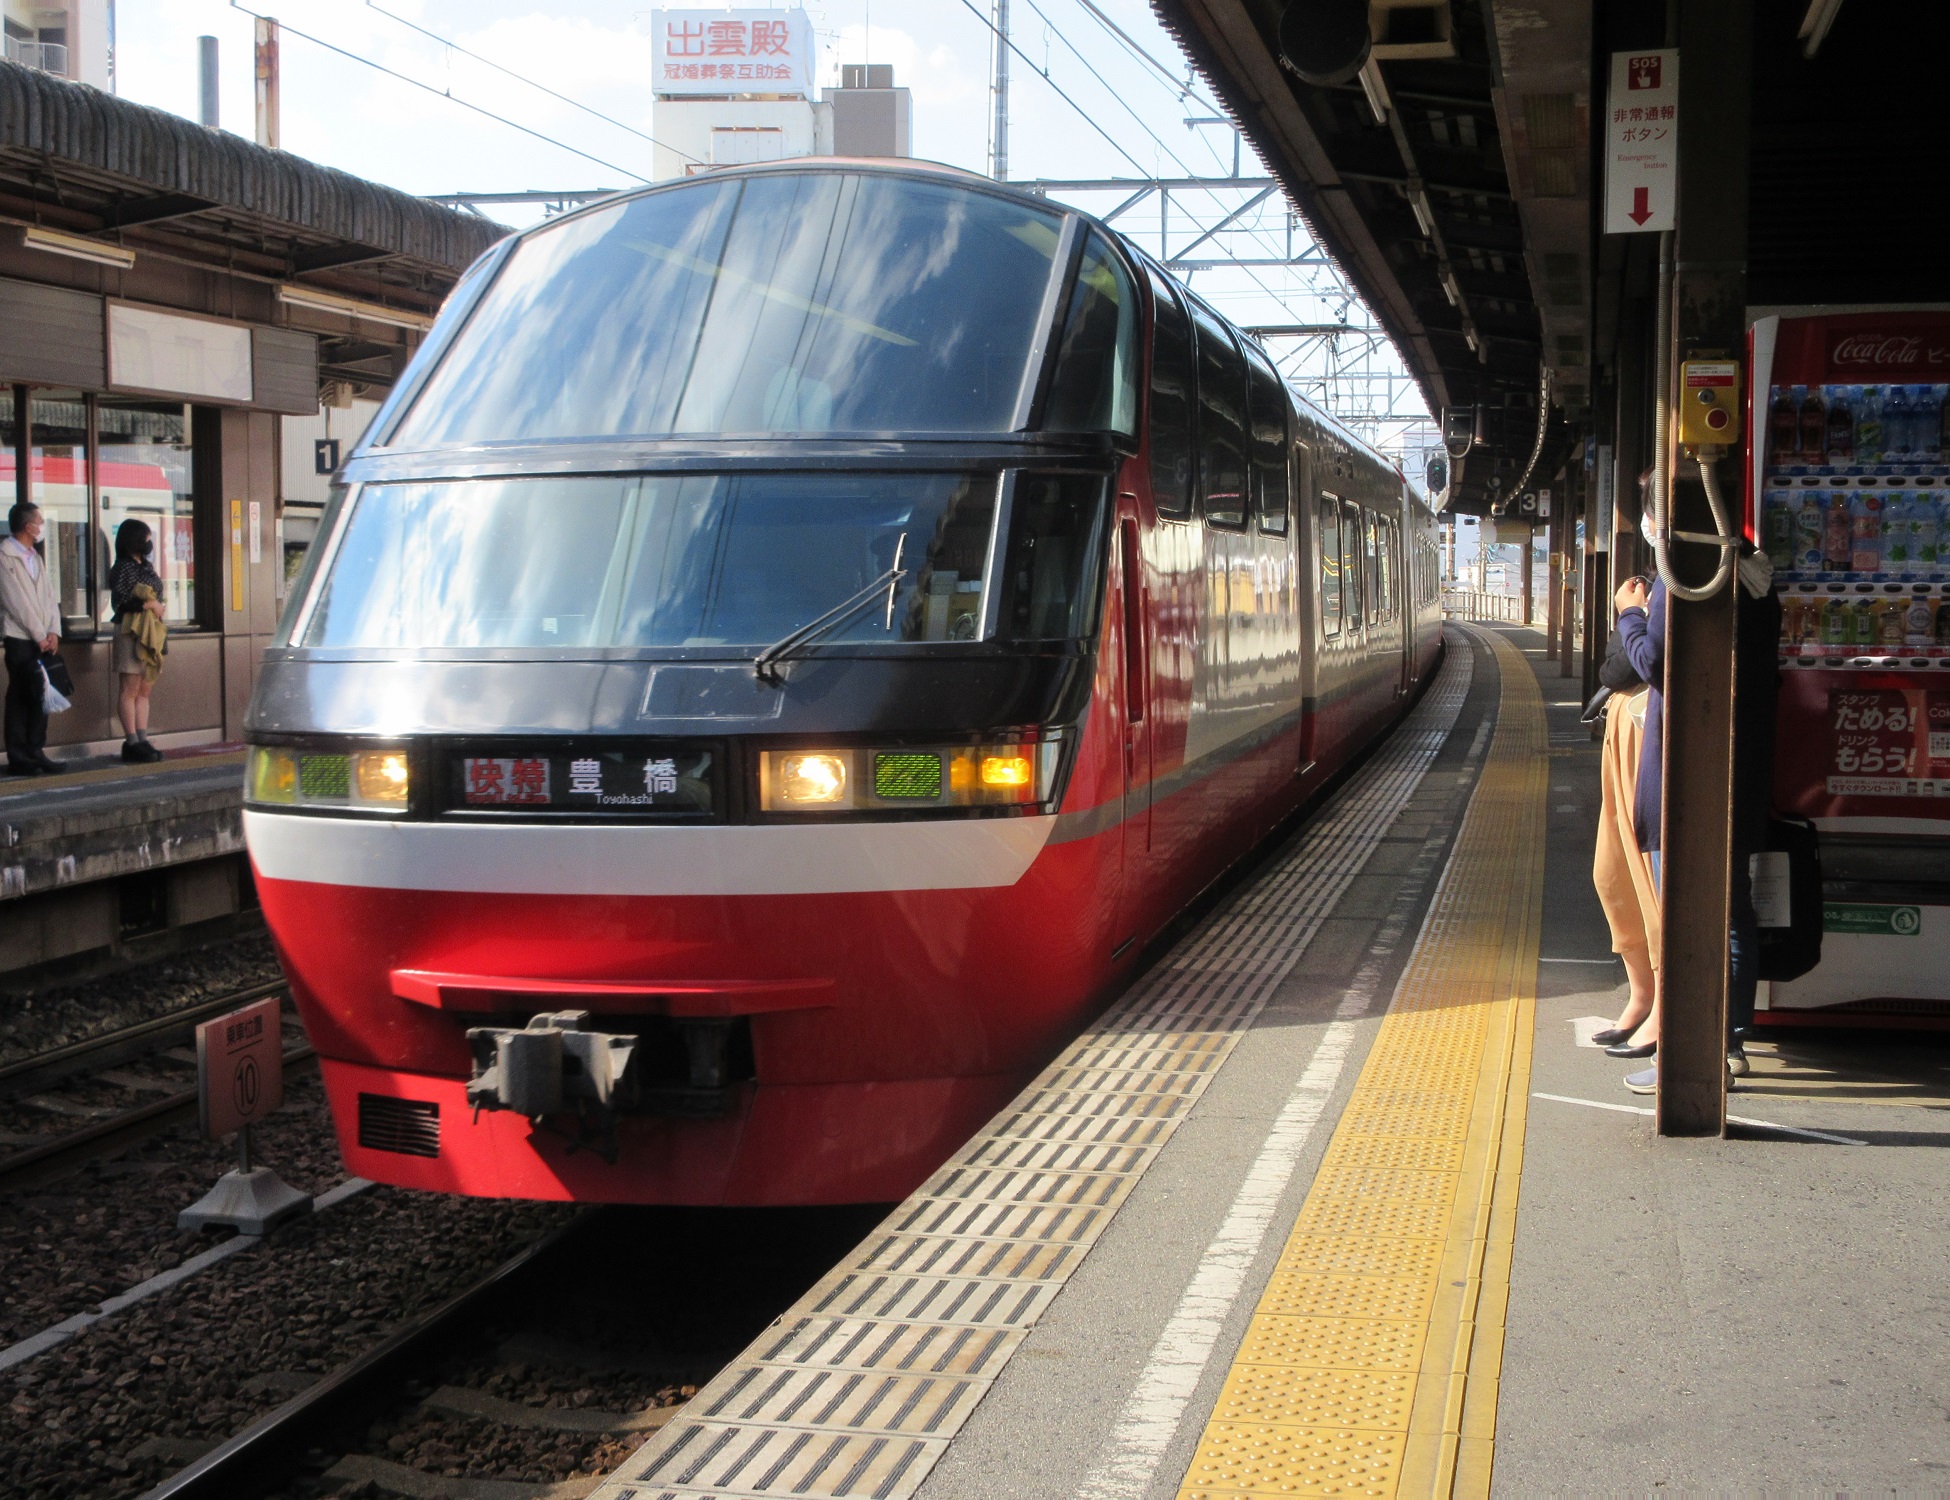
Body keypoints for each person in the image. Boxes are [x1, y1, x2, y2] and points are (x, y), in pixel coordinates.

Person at [1588, 618, 1661, 1058]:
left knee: (1649, 876)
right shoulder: (1653, 596)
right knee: (1612, 873)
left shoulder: (1670, 593)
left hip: (1648, 740)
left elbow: (1636, 663)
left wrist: (1630, 615)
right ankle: (1642, 993)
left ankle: (1664, 1004)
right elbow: (1616, 667)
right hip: (1625, 737)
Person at [1, 501, 61, 776]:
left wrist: (53, 630)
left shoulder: (35, 557)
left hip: (42, 639)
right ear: (27, 526)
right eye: (39, 521)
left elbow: (49, 597)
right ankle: (19, 756)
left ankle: (36, 751)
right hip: (20, 638)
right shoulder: (5, 556)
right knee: (21, 695)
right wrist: (39, 635)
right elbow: (16, 602)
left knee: (41, 694)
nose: (41, 525)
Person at [107, 518, 168, 763]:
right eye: (146, 538)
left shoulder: (146, 566)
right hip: (131, 630)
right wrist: (150, 604)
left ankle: (142, 737)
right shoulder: (122, 567)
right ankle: (131, 740)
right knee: (129, 688)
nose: (149, 542)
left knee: (145, 689)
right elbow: (120, 602)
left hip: (152, 630)